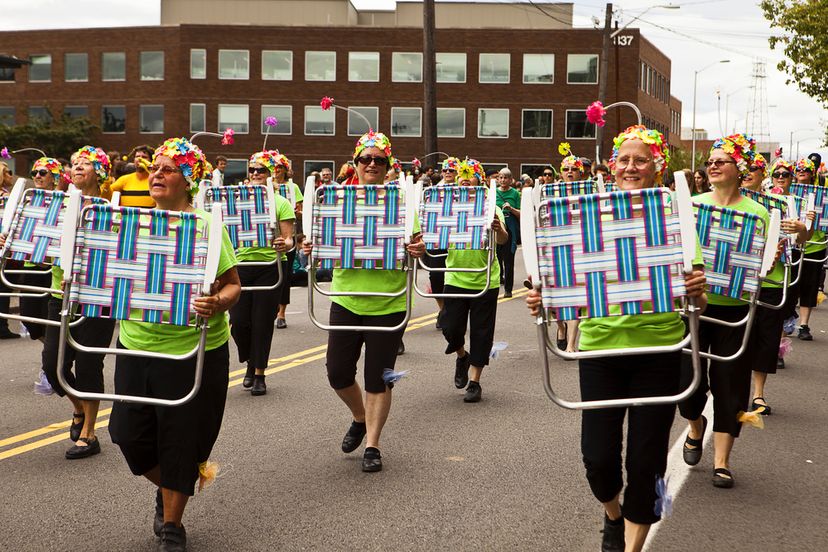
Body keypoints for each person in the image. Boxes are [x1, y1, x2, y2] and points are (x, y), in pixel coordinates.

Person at [526, 125, 706, 552]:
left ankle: (630, 545)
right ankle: (613, 514)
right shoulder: (584, 216)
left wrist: (698, 287)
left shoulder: (676, 215)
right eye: (624, 159)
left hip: (658, 349)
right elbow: (556, 282)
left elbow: (698, 295)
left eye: (641, 159)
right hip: (601, 349)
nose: (631, 167)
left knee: (646, 463)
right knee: (599, 460)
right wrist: (541, 299)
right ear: (611, 166)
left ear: (657, 167)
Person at [107, 137, 240, 551]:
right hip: (138, 343)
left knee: (181, 440)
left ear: (188, 181)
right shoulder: (131, 223)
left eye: (168, 169)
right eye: (155, 168)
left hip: (194, 350)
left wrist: (216, 302)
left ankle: (172, 525)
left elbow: (235, 285)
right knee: (127, 434)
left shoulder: (207, 227)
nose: (157, 174)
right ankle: (171, 488)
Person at [302, 131, 425, 472]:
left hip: (387, 302)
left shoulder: (402, 203)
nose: (372, 164)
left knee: (378, 378)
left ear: (388, 167)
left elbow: (418, 244)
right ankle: (359, 416)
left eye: (379, 160)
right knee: (338, 373)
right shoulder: (336, 201)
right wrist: (309, 248)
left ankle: (372, 443)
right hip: (346, 298)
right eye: (365, 159)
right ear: (355, 163)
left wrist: (418, 249)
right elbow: (316, 245)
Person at [679, 134, 770, 489]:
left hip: (737, 311)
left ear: (739, 168)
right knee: (687, 385)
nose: (712, 165)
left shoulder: (758, 212)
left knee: (731, 387)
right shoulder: (692, 206)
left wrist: (767, 260)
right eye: (710, 161)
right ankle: (694, 425)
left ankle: (721, 461)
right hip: (694, 309)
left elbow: (762, 262)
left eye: (721, 160)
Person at [40, 146, 116, 459]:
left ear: (100, 171)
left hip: (96, 297)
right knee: (52, 365)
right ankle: (79, 407)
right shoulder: (57, 207)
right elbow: (42, 246)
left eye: (85, 163)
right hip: (61, 293)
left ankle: (89, 432)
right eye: (74, 163)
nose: (78, 167)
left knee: (88, 364)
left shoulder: (111, 207)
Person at [741, 155, 810, 416]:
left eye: (755, 169)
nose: (748, 172)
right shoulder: (729, 202)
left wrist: (802, 228)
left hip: (773, 280)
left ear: (763, 175)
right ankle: (734, 390)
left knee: (766, 339)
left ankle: (758, 394)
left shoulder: (782, 203)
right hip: (738, 280)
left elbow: (801, 239)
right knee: (738, 337)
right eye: (745, 168)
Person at [441, 158, 509, 402]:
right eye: (462, 176)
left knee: (481, 332)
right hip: (455, 277)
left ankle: (475, 381)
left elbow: (503, 240)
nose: (465, 179)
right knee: (450, 327)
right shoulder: (447, 207)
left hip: (484, 280)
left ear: (479, 181)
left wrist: (497, 228)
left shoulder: (491, 207)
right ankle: (461, 356)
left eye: (470, 176)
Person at [230, 150, 295, 396]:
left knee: (261, 323)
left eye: (261, 170)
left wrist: (284, 244)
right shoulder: (235, 199)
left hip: (270, 267)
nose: (256, 173)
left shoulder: (280, 202)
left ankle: (259, 373)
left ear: (270, 175)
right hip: (239, 266)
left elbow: (289, 240)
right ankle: (248, 360)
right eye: (252, 169)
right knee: (239, 322)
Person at [267, 151, 302, 329]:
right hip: (267, 235)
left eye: (279, 167)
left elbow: (301, 209)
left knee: (285, 276)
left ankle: (281, 313)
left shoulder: (292, 187)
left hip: (287, 232)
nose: (276, 171)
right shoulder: (261, 187)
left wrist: (294, 211)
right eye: (274, 168)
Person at [425, 156, 460, 329]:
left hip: (456, 238)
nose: (447, 173)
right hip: (437, 238)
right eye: (445, 170)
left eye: (451, 170)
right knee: (436, 276)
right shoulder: (432, 191)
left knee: (453, 277)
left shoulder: (462, 190)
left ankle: (450, 313)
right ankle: (443, 309)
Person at [792, 157, 824, 341]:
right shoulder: (787, 192)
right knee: (790, 287)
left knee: (809, 286)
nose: (801, 172)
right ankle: (788, 320)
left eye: (805, 169)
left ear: (812, 174)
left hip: (815, 246)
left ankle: (803, 324)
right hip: (794, 245)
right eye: (798, 169)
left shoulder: (823, 194)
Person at [495, 168, 520, 297]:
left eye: (506, 178)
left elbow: (522, 213)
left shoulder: (515, 194)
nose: (503, 180)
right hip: (496, 227)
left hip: (510, 227)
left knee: (509, 259)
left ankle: (508, 289)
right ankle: (498, 280)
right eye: (501, 177)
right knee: (496, 257)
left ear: (511, 180)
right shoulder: (493, 192)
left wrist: (511, 209)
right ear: (498, 179)